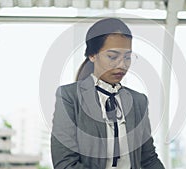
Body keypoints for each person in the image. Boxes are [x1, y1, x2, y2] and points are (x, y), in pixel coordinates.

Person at [51, 18, 165, 169]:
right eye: (112, 56)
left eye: (127, 57)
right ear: (92, 55)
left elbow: (149, 159)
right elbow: (65, 163)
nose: (122, 65)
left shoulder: (139, 101)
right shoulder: (69, 96)